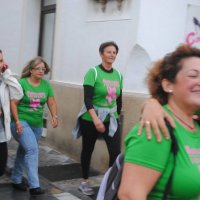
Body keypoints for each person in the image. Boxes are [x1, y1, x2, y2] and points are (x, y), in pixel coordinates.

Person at [118, 44, 200, 199]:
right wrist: (151, 104)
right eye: (193, 75)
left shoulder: (195, 126)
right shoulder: (157, 129)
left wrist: (150, 103)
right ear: (168, 84)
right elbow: (129, 195)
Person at [73, 41, 123, 196]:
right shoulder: (93, 72)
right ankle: (84, 182)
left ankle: (108, 184)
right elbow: (87, 99)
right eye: (109, 52)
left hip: (111, 119)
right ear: (101, 54)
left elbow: (119, 99)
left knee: (115, 153)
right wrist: (96, 120)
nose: (112, 55)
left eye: (114, 52)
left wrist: (117, 116)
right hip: (91, 118)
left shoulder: (119, 75)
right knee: (88, 149)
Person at [10, 57, 58, 196]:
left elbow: (52, 102)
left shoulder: (46, 85)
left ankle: (16, 178)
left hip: (37, 125)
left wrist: (54, 116)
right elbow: (13, 103)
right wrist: (17, 121)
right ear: (31, 70)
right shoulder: (22, 83)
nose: (41, 71)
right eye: (38, 68)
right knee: (32, 149)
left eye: (43, 69)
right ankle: (34, 186)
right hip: (21, 122)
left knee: (24, 151)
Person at [0, 50, 23, 176]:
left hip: (1, 133)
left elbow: (18, 94)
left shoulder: (3, 81)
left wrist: (7, 74)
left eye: (1, 60)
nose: (0, 64)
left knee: (1, 168)